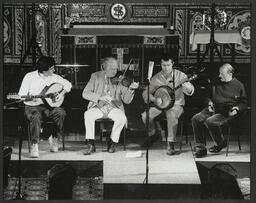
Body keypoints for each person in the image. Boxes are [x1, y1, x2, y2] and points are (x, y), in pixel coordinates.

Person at [82, 57, 139, 155]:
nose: (115, 71)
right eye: (112, 69)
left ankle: (112, 142)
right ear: (104, 67)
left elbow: (126, 100)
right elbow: (85, 93)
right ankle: (91, 144)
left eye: (116, 68)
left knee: (122, 118)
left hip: (113, 107)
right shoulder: (95, 76)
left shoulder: (120, 80)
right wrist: (100, 97)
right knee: (88, 115)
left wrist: (131, 89)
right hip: (98, 106)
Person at [18, 56, 72, 158]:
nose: (54, 70)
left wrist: (61, 93)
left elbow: (68, 84)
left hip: (49, 107)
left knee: (60, 112)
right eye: (51, 68)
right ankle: (35, 144)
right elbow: (21, 95)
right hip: (32, 106)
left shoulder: (54, 77)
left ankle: (54, 138)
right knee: (36, 116)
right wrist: (30, 98)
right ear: (44, 69)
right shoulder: (29, 76)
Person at [141, 55, 194, 155]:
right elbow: (146, 93)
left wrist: (189, 88)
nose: (166, 68)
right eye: (163, 65)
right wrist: (154, 99)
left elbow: (190, 90)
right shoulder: (156, 78)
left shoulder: (181, 76)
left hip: (176, 104)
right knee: (145, 116)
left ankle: (170, 143)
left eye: (168, 65)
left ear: (172, 64)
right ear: (160, 64)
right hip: (160, 105)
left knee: (171, 115)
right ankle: (153, 134)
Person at [192, 63, 247, 158]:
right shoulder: (215, 82)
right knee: (196, 118)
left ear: (230, 74)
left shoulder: (239, 85)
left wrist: (237, 108)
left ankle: (220, 143)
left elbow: (244, 103)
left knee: (210, 121)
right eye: (219, 73)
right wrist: (209, 102)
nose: (219, 75)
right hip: (213, 108)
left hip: (227, 111)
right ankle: (200, 148)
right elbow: (207, 96)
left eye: (222, 73)